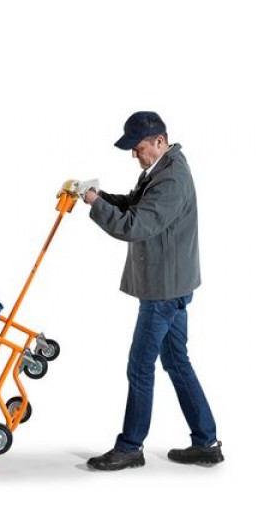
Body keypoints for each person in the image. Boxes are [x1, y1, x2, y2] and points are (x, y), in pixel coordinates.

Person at [80, 111, 224, 470]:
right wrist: (99, 196)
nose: (134, 154)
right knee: (176, 362)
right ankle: (206, 443)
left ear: (160, 141)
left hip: (163, 292)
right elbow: (135, 204)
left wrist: (95, 205)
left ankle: (130, 447)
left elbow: (135, 225)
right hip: (171, 285)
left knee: (140, 367)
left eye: (138, 147)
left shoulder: (172, 178)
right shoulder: (161, 169)